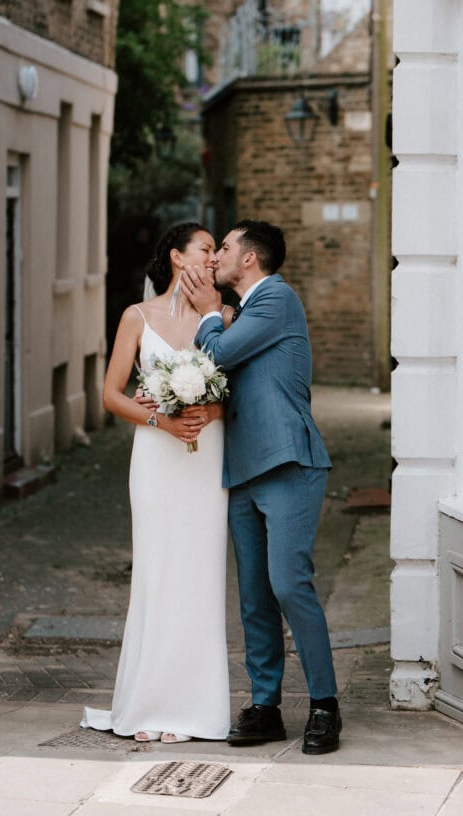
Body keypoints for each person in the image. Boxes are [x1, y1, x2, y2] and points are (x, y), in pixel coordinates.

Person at [181, 219, 341, 755]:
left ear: (250, 258)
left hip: (289, 463)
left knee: (289, 583)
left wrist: (209, 314)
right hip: (243, 470)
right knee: (253, 596)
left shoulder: (276, 299)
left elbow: (218, 355)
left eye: (224, 247)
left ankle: (324, 706)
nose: (216, 256)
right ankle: (266, 705)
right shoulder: (242, 313)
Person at [81, 222, 230, 744]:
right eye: (207, 249)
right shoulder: (136, 317)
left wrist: (210, 410)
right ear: (176, 257)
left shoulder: (226, 317)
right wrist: (161, 421)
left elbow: (239, 394)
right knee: (157, 571)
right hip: (154, 458)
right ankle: (149, 703)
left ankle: (194, 707)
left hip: (207, 460)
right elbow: (112, 395)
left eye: (217, 251)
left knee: (200, 573)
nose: (214, 258)